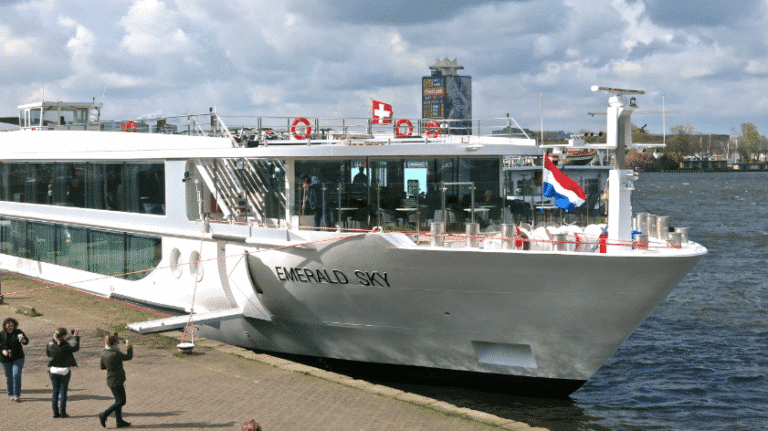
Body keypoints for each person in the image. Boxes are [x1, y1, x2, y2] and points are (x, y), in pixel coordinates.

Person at [98, 334, 133, 428]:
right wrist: (129, 346)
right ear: (114, 343)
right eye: (117, 342)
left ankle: (119, 421)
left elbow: (102, 367)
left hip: (110, 380)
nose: (118, 343)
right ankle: (104, 414)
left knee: (118, 400)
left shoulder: (103, 352)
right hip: (117, 380)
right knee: (122, 401)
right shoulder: (116, 353)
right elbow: (129, 357)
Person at [46, 328, 80, 418]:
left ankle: (55, 413)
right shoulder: (66, 345)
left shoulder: (49, 344)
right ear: (63, 336)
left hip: (53, 370)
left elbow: (48, 354)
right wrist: (76, 338)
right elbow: (76, 348)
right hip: (64, 371)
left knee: (55, 392)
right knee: (63, 392)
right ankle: (63, 412)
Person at [0, 317, 28, 402]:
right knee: (9, 377)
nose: (10, 327)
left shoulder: (18, 332)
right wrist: (2, 351)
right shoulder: (1, 334)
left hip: (18, 357)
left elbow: (26, 341)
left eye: (12, 326)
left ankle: (17, 395)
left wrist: (23, 340)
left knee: (16, 375)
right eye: (8, 326)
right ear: (5, 326)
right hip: (5, 359)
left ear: (15, 326)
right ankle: (11, 394)